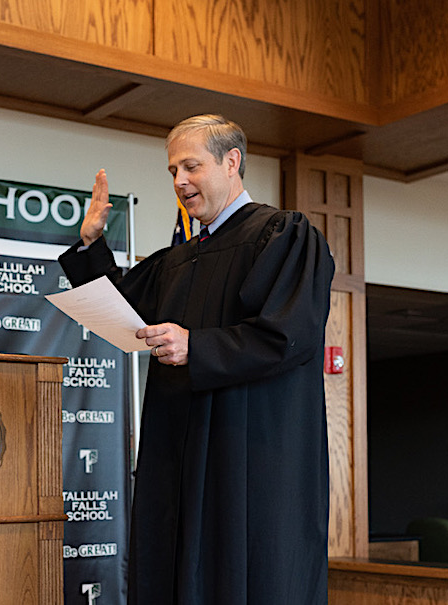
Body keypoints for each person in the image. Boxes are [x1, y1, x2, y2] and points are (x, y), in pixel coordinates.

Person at [59, 114, 334, 604]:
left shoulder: (284, 235)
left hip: (245, 451)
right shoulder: (178, 259)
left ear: (231, 162)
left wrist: (196, 346)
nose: (180, 181)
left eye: (191, 166)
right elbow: (122, 310)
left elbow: (290, 336)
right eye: (172, 171)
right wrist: (91, 244)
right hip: (177, 452)